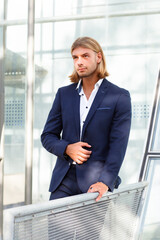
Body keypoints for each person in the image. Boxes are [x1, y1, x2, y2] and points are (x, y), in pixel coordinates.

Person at [41, 36, 131, 202]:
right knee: (55, 229)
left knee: (88, 230)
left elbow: (118, 145)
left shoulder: (119, 96)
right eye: (75, 57)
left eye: (85, 56)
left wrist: (105, 182)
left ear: (98, 57)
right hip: (63, 181)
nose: (79, 62)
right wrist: (67, 148)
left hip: (96, 183)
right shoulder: (64, 94)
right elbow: (47, 136)